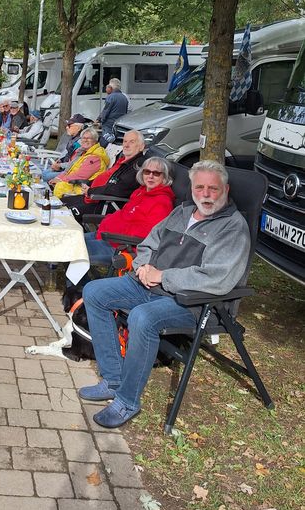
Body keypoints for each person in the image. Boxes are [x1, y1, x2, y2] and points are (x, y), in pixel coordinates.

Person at [78, 160, 250, 427]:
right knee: (94, 292)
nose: (205, 194)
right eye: (200, 187)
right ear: (192, 188)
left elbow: (218, 278)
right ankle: (113, 380)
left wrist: (163, 277)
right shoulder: (182, 212)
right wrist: (143, 266)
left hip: (191, 302)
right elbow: (149, 242)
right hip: (149, 284)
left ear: (225, 189)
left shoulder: (232, 227)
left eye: (213, 189)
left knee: (142, 318)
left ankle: (127, 401)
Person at [81, 156, 175, 276]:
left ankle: (77, 290)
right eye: (147, 172)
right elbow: (124, 215)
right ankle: (75, 287)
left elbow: (148, 235)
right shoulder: (140, 192)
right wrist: (108, 222)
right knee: (72, 242)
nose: (150, 176)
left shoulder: (162, 202)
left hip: (121, 246)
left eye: (156, 173)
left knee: (75, 253)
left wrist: (114, 229)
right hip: (107, 235)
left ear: (164, 177)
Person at [62, 129, 146, 221]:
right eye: (125, 141)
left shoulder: (137, 166)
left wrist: (91, 191)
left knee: (65, 215)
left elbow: (118, 189)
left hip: (108, 203)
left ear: (141, 147)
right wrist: (89, 185)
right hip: (96, 196)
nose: (126, 145)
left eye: (132, 142)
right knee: (60, 204)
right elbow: (107, 178)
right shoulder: (123, 161)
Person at [51, 127, 109, 198]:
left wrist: (60, 180)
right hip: (74, 183)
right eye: (83, 138)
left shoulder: (95, 157)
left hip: (82, 189)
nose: (85, 140)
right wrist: (58, 178)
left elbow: (81, 175)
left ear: (95, 140)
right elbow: (70, 169)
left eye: (89, 138)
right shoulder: (83, 153)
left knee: (59, 186)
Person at [40, 114, 89, 182]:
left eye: (69, 125)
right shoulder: (73, 139)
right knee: (44, 173)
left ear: (78, 128)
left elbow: (75, 162)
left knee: (45, 175)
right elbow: (68, 155)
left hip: (71, 171)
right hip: (65, 167)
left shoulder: (80, 143)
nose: (66, 127)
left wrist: (60, 165)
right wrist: (61, 160)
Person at [96, 78, 129, 146]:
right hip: (119, 124)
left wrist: (99, 120)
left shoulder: (111, 97)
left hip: (108, 125)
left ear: (110, 87)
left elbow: (105, 111)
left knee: (105, 143)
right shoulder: (124, 97)